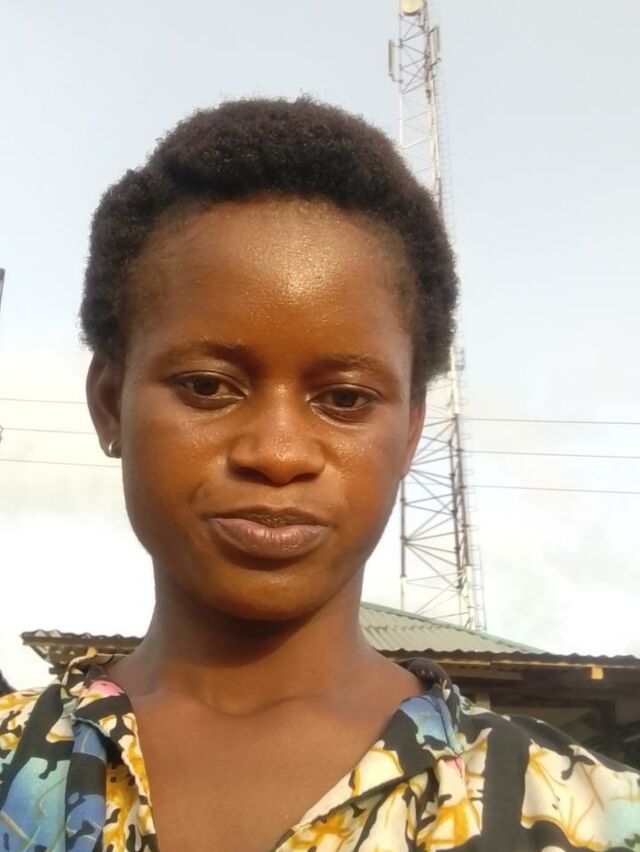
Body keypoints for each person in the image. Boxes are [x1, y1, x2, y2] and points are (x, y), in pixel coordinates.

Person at [0, 98, 638, 852]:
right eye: (207, 385)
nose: (277, 453)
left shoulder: (581, 814)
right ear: (110, 403)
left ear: (408, 432)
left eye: (345, 399)